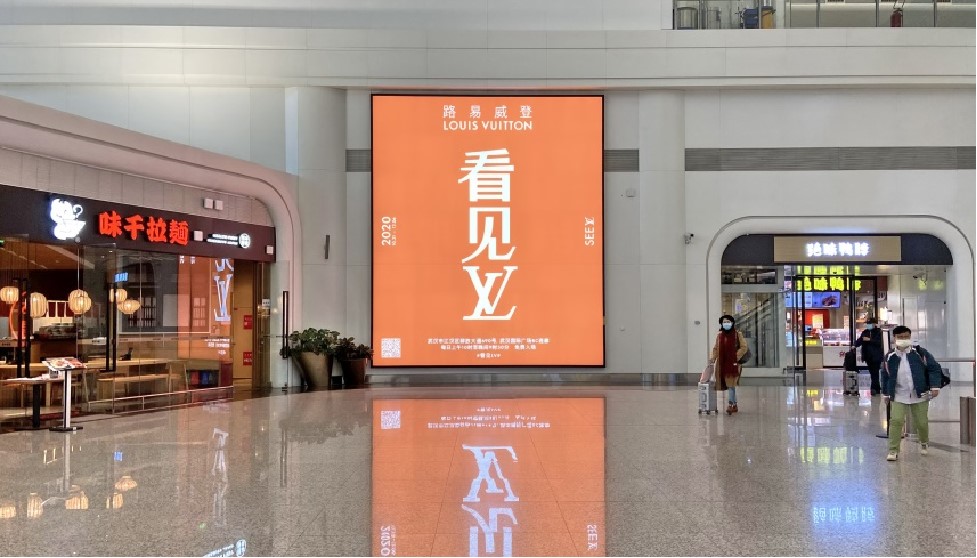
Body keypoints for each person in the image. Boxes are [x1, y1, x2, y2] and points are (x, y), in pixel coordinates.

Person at [882, 325, 943, 461]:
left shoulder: (920, 353)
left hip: (919, 393)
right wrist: (886, 393)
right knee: (896, 421)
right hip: (898, 393)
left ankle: (924, 442)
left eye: (906, 337)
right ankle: (893, 450)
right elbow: (885, 375)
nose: (904, 339)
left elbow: (934, 368)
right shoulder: (890, 356)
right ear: (894, 339)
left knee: (921, 422)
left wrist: (935, 386)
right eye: (900, 337)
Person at [710, 314, 748, 415]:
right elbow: (716, 348)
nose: (726, 324)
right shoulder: (720, 335)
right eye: (724, 322)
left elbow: (744, 347)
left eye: (728, 322)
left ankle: (731, 404)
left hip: (734, 364)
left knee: (731, 384)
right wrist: (712, 358)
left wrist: (736, 356)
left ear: (732, 323)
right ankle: (734, 404)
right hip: (723, 364)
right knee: (730, 385)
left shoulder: (737, 334)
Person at [854, 317, 885, 395]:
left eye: (870, 323)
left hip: (876, 356)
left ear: (875, 324)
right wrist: (855, 345)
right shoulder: (865, 332)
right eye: (868, 324)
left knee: (875, 372)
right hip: (868, 356)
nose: (869, 325)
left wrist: (870, 340)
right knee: (872, 372)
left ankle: (874, 388)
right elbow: (860, 341)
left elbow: (880, 343)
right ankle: (877, 388)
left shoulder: (879, 332)